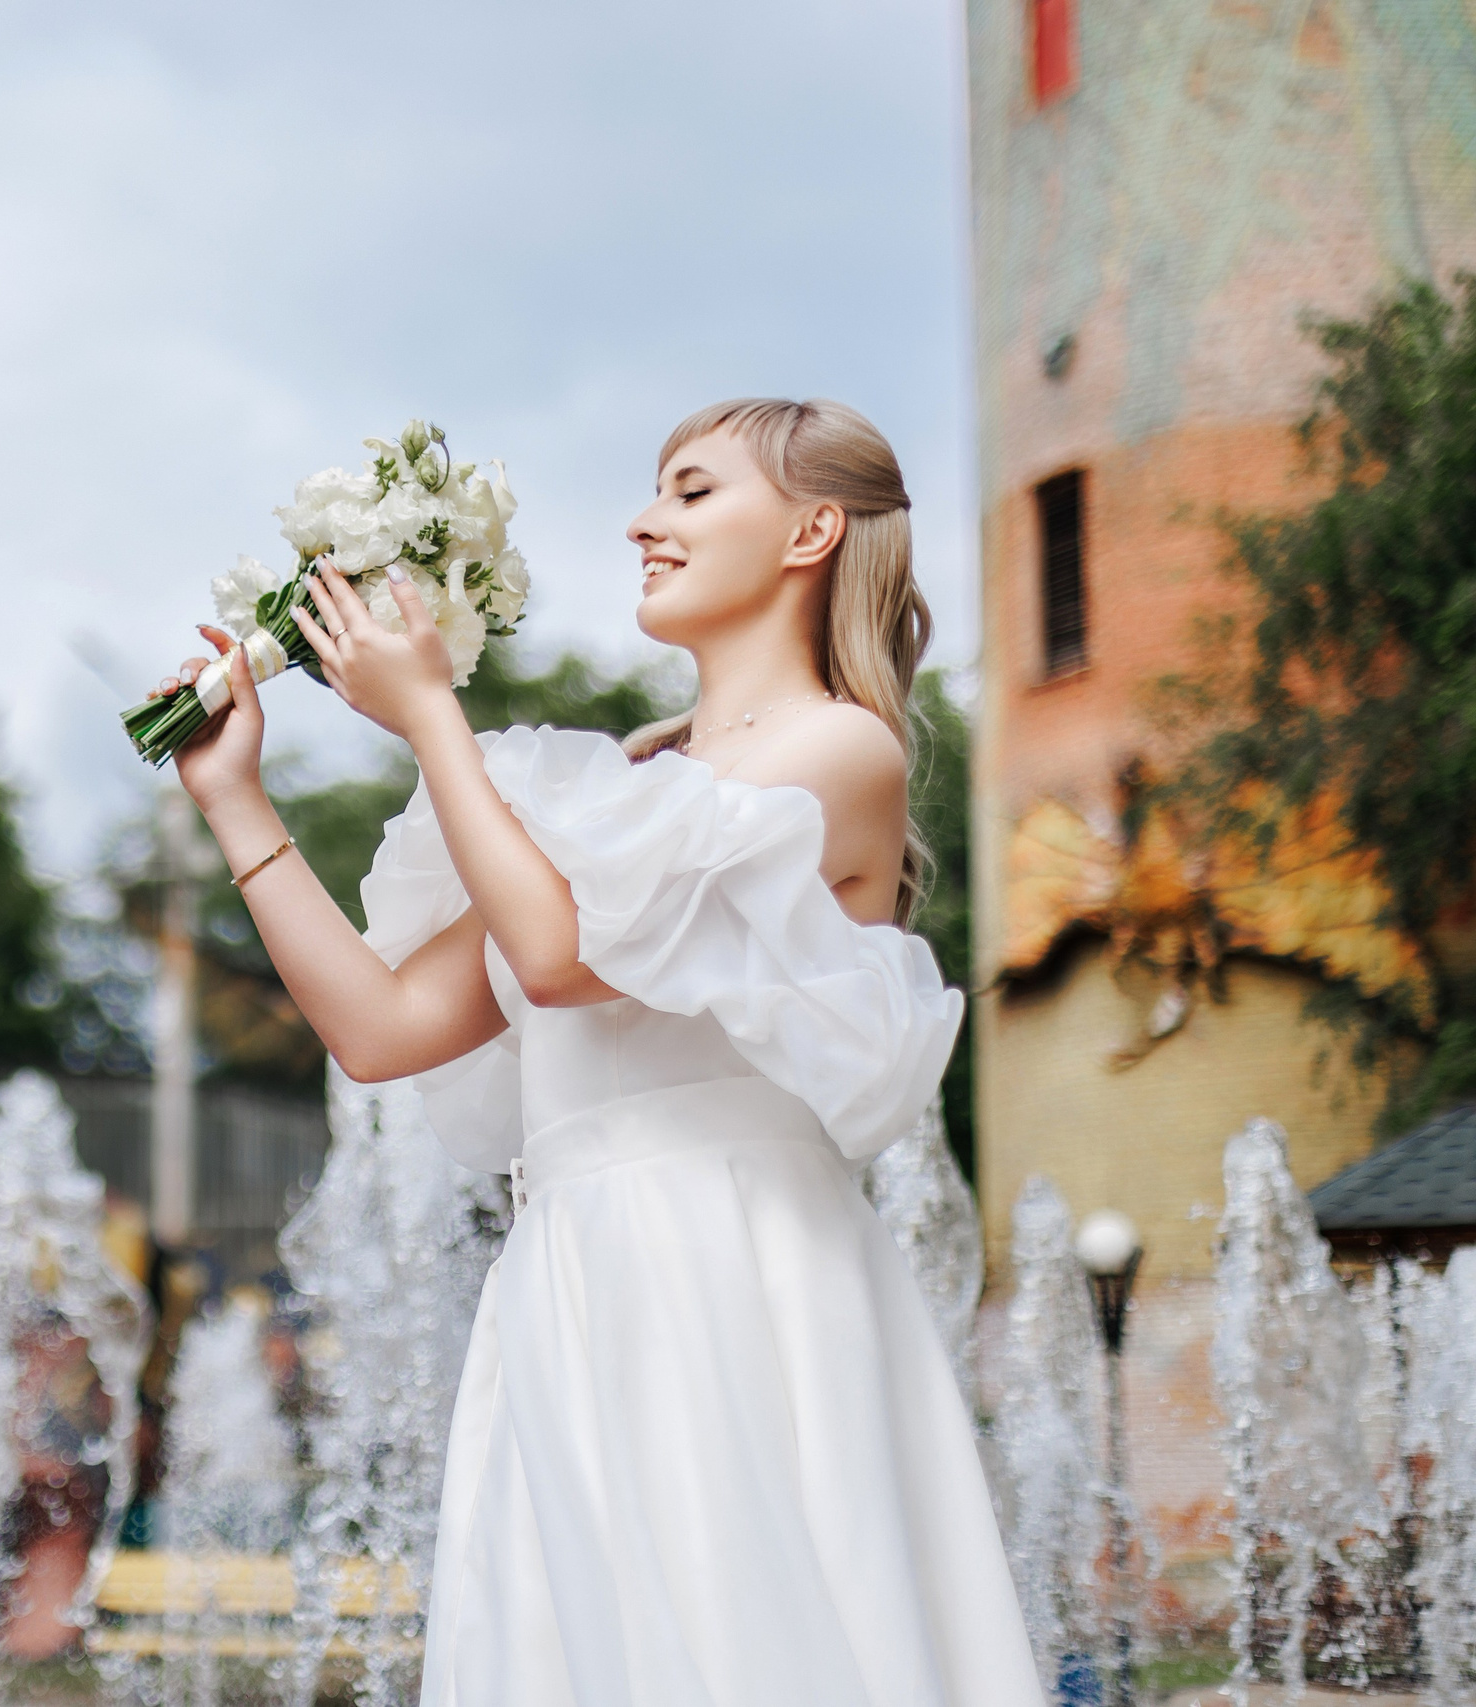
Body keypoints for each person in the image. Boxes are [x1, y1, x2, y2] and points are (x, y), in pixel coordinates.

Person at [155, 398, 1045, 1705]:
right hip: (569, 1279)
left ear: (812, 531)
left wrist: (434, 722)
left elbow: (564, 959)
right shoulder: (613, 784)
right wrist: (236, 801)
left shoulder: (838, 752)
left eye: (691, 491)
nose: (644, 521)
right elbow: (383, 1028)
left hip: (728, 1275)